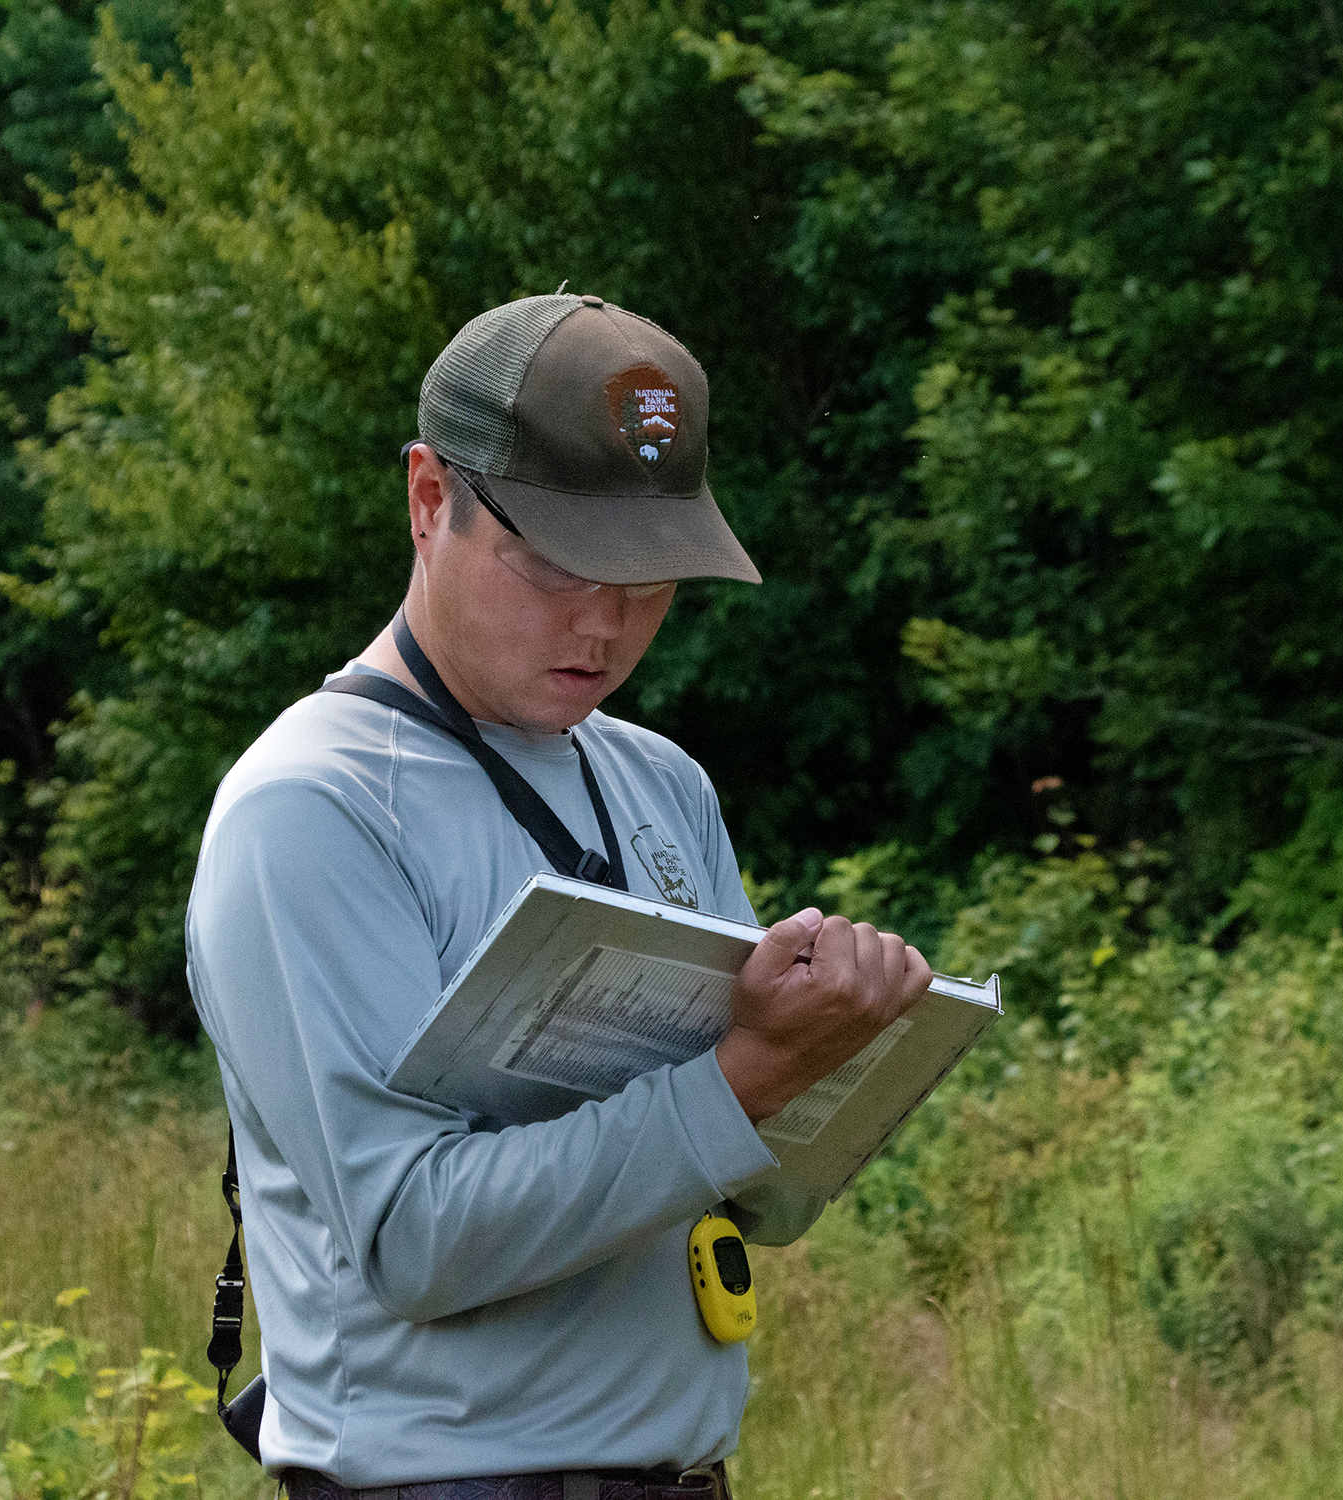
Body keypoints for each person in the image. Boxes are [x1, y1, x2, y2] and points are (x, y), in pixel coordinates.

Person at [185, 292, 935, 1500]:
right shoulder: (313, 808)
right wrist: (746, 1073)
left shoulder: (658, 781)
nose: (606, 623)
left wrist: (827, 1053)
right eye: (558, 564)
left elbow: (767, 1199)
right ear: (430, 498)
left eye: (651, 577)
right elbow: (413, 1239)